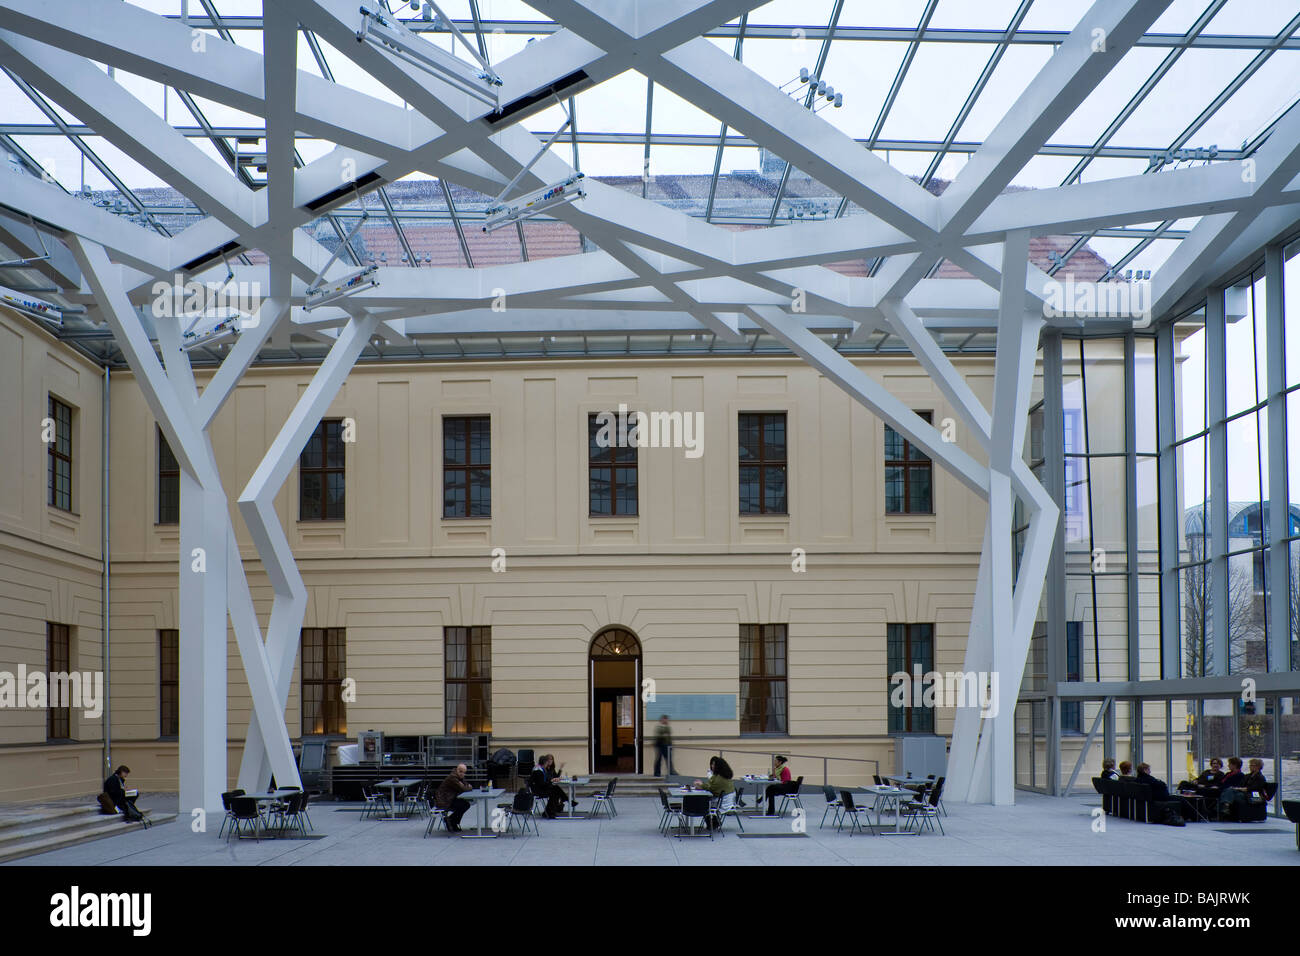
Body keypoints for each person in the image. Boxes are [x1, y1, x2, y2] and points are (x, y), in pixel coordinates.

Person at [694, 757, 735, 829]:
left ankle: (712, 824)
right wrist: (702, 785)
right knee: (703, 802)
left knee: (702, 804)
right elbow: (711, 786)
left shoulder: (719, 778)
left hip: (722, 803)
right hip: (726, 801)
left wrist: (701, 785)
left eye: (713, 764)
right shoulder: (722, 776)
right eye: (711, 764)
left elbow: (712, 789)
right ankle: (714, 823)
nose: (712, 766)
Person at [530, 754, 575, 819]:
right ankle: (551, 812)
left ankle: (549, 812)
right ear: (545, 763)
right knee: (555, 792)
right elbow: (541, 783)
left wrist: (552, 780)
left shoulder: (540, 769)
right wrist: (551, 781)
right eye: (547, 762)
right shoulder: (538, 771)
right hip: (539, 790)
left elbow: (544, 782)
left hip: (541, 788)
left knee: (555, 789)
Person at [434, 763, 473, 832]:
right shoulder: (453, 777)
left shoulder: (459, 777)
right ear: (456, 770)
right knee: (464, 805)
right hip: (444, 801)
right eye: (460, 771)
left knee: (465, 804)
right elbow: (464, 788)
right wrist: (467, 786)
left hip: (449, 799)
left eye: (464, 772)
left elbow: (466, 785)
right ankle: (452, 822)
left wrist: (467, 786)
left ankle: (452, 821)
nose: (462, 774)